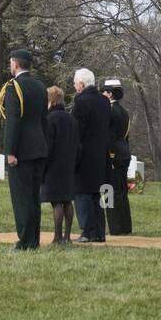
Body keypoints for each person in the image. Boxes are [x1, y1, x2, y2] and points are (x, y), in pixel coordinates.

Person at [0, 49, 49, 251]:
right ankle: (34, 240)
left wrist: (10, 151)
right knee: (34, 198)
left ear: (15, 64)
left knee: (21, 198)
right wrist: (45, 147)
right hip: (39, 149)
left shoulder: (14, 87)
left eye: (11, 63)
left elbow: (13, 121)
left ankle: (25, 241)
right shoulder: (40, 86)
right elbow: (44, 120)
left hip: (22, 151)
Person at [71, 67, 112, 243]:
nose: (74, 87)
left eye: (74, 83)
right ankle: (99, 232)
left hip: (84, 155)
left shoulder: (81, 102)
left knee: (82, 194)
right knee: (96, 195)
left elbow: (76, 131)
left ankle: (87, 231)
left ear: (81, 84)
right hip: (101, 154)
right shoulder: (104, 101)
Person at [41, 85, 80, 244]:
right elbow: (79, 145)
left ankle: (57, 237)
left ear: (50, 100)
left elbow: (48, 145)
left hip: (54, 166)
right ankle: (68, 236)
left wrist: (43, 166)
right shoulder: (72, 119)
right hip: (69, 164)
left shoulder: (50, 119)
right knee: (67, 201)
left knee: (56, 202)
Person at [103, 78, 133, 236]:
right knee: (121, 192)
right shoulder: (124, 112)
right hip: (124, 153)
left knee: (109, 191)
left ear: (109, 93)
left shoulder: (109, 111)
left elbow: (107, 136)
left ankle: (115, 227)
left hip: (112, 155)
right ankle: (125, 226)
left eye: (104, 91)